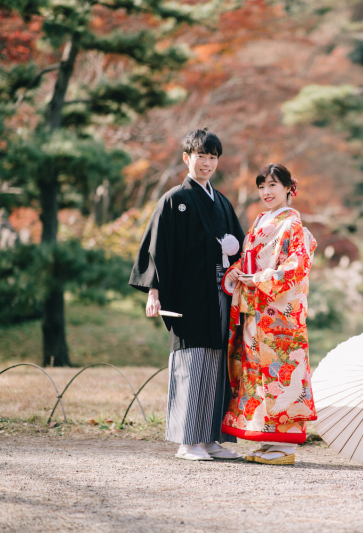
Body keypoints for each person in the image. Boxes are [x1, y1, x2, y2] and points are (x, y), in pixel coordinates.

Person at [129, 129, 244, 461]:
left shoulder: (221, 201)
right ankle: (187, 440)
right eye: (201, 156)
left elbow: (240, 249)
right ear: (186, 158)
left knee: (218, 362)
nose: (207, 163)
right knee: (191, 361)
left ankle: (210, 439)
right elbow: (158, 250)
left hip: (222, 293)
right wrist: (154, 293)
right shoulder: (174, 199)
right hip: (188, 294)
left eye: (212, 157)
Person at [220, 163, 317, 465]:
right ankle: (267, 436)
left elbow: (296, 267)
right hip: (255, 311)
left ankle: (285, 446)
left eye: (273, 185)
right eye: (262, 186)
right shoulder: (260, 221)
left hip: (279, 315)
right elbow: (247, 259)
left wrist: (262, 279)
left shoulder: (293, 225)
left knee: (281, 373)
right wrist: (236, 274)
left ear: (289, 188)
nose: (266, 192)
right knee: (257, 375)